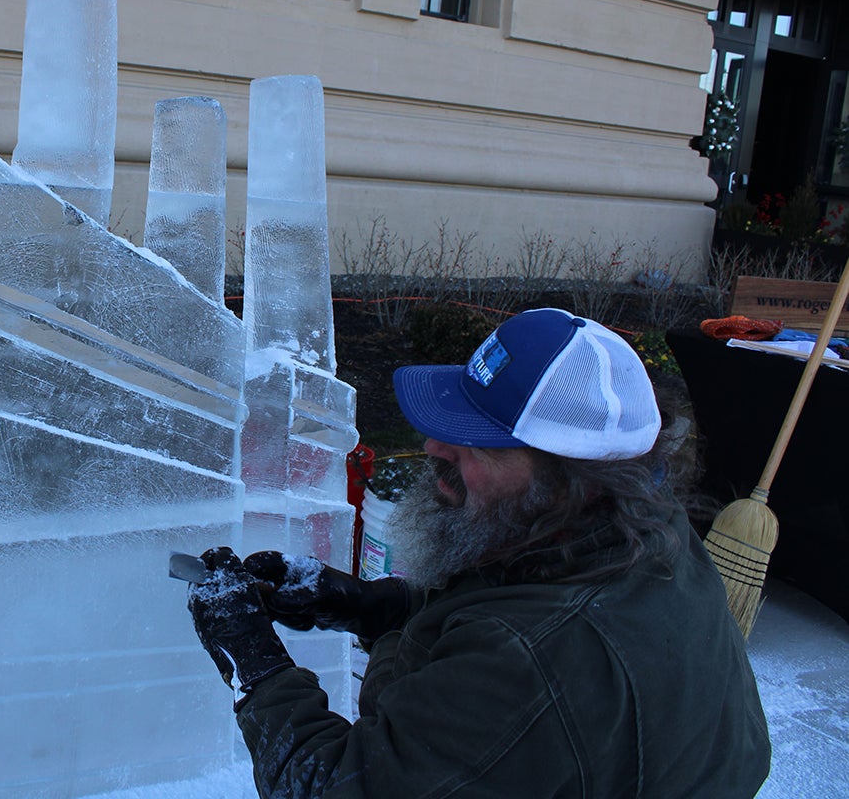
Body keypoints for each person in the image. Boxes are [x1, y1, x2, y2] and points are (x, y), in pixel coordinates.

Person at [186, 307, 770, 798]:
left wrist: (255, 664)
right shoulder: (643, 525)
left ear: (568, 481)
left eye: (477, 441)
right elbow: (513, 606)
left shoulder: (533, 662)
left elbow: (338, 786)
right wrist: (373, 605)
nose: (433, 446)